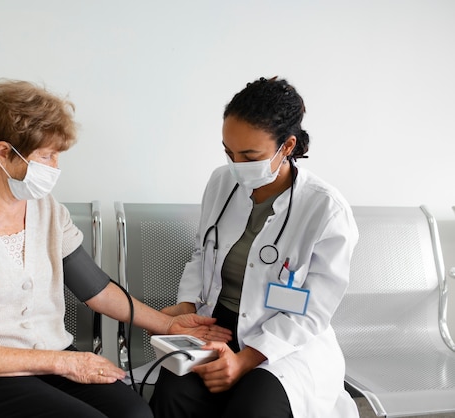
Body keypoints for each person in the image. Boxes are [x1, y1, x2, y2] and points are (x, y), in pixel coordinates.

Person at [0, 79, 230, 418]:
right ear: (3, 153)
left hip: (47, 360)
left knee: (135, 415)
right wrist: (66, 362)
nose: (54, 167)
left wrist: (168, 325)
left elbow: (96, 288)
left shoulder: (44, 207)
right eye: (46, 155)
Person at [150, 77, 360, 418]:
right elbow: (203, 253)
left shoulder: (326, 209)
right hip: (215, 323)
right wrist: (186, 307)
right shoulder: (221, 182)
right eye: (228, 152)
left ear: (288, 146)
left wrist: (245, 360)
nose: (236, 165)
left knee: (253, 408)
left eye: (249, 155)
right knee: (173, 394)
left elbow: (312, 311)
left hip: (283, 337)